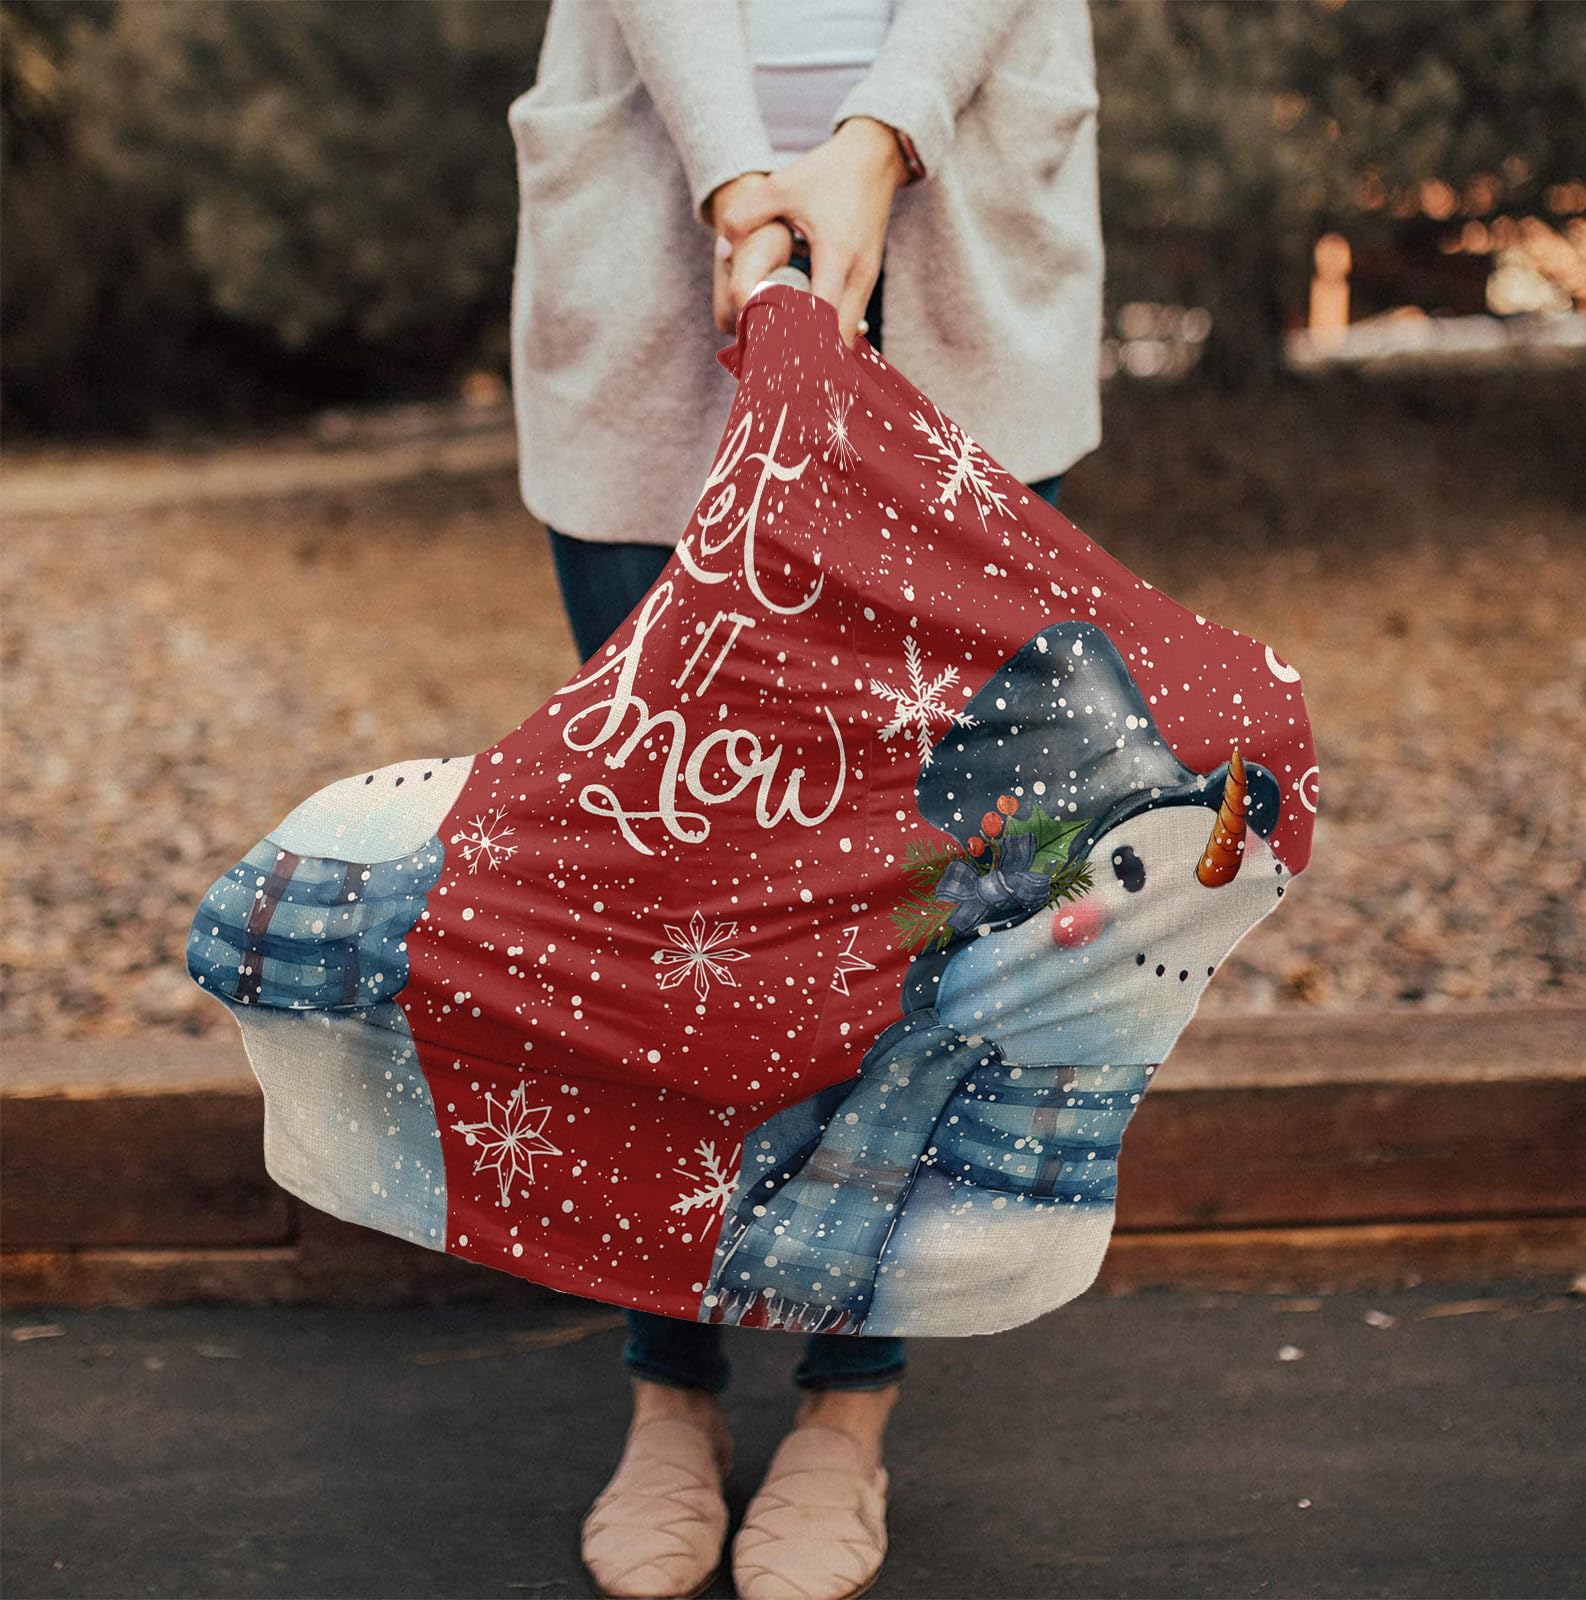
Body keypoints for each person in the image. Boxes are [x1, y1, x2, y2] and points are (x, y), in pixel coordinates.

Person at [506, 3, 1103, 1595]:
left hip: (957, 231)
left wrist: (876, 136)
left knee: (910, 889)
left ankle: (849, 1403)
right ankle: (670, 1387)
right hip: (658, 228)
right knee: (666, 877)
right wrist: (734, 179)